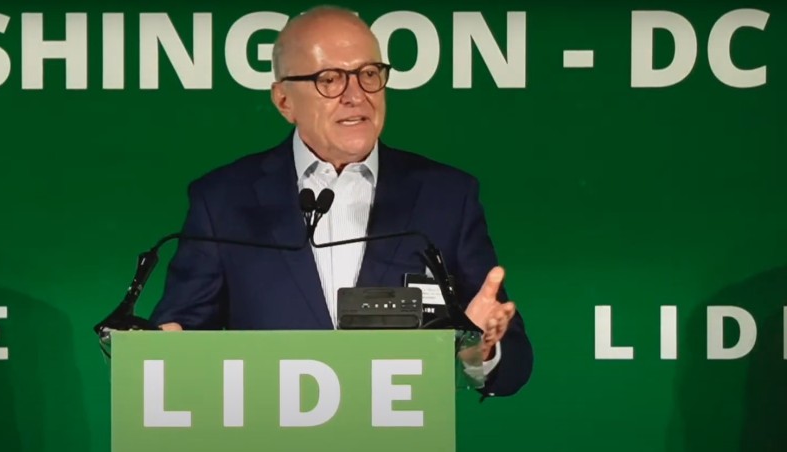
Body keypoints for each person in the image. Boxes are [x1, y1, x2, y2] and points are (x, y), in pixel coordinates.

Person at [149, 6, 532, 397]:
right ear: (284, 101)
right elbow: (180, 331)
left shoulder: (446, 196)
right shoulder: (223, 200)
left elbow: (513, 359)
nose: (356, 95)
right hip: (265, 432)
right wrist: (166, 348)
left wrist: (480, 351)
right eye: (329, 79)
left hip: (397, 434)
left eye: (369, 74)